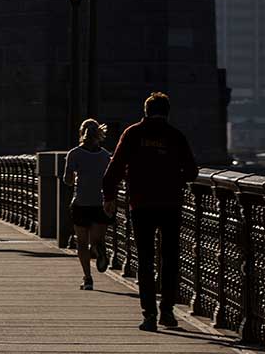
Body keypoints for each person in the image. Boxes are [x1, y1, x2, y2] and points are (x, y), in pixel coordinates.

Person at [102, 92, 198, 332]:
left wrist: (109, 197)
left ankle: (149, 315)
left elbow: (114, 168)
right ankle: (167, 311)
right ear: (167, 112)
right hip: (170, 204)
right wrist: (174, 177)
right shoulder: (175, 136)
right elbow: (192, 171)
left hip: (141, 204)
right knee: (169, 259)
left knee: (144, 260)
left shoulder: (133, 133)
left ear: (145, 111)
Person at [63, 118, 112, 290]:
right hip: (100, 204)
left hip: (81, 203)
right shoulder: (106, 156)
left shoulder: (74, 154)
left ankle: (88, 278)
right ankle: (100, 252)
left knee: (82, 243)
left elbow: (68, 181)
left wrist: (75, 174)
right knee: (96, 240)